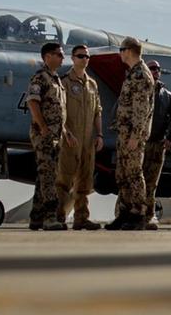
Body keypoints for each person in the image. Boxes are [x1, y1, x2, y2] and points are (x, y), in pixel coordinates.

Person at [105, 36, 155, 231]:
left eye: (121, 50)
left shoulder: (141, 75)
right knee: (122, 174)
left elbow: (141, 109)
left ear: (128, 51)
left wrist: (135, 135)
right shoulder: (132, 73)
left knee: (134, 174)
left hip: (133, 136)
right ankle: (124, 213)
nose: (119, 53)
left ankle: (138, 214)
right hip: (124, 134)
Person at [56, 44, 104, 230]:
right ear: (72, 58)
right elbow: (59, 111)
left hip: (87, 141)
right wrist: (66, 132)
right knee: (64, 180)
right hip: (69, 139)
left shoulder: (92, 84)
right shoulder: (64, 82)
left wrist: (99, 134)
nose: (84, 59)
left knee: (85, 181)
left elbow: (97, 112)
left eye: (87, 57)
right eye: (80, 56)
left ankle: (81, 218)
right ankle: (58, 217)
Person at [26, 42, 72, 231]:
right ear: (47, 57)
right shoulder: (40, 77)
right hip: (44, 135)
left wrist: (65, 132)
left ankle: (36, 218)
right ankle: (50, 217)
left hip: (55, 136)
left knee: (44, 175)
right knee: (49, 177)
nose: (62, 58)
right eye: (59, 55)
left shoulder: (56, 80)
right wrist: (43, 128)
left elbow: (59, 111)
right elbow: (33, 103)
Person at [141, 59, 171, 229]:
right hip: (139, 145)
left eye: (158, 69)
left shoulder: (167, 96)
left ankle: (148, 216)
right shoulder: (137, 91)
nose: (155, 71)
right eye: (152, 68)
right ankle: (126, 214)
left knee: (151, 183)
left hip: (157, 145)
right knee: (133, 180)